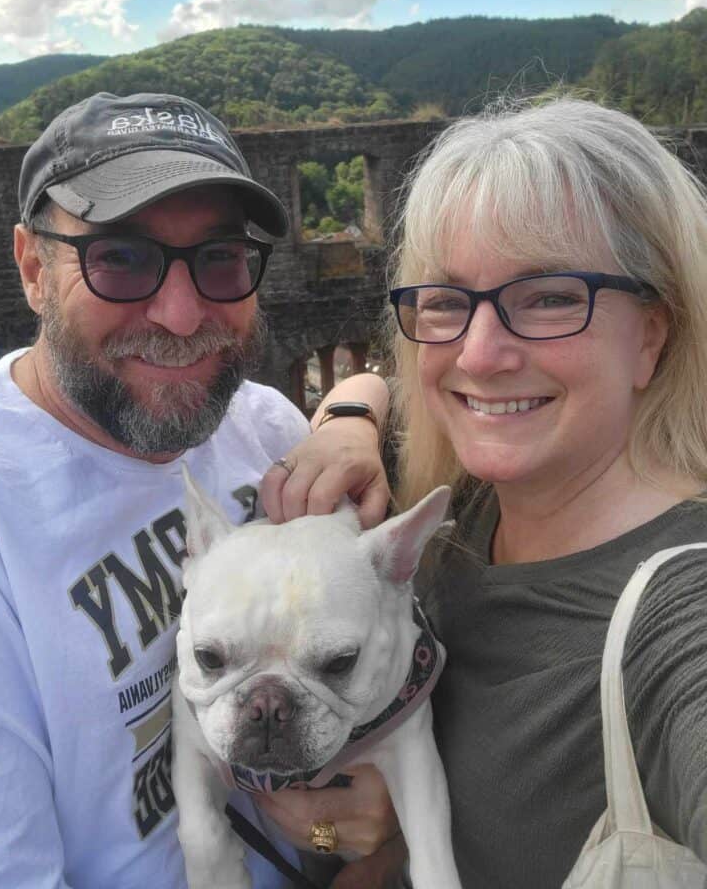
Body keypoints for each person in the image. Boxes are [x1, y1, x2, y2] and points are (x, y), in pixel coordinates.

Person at [0, 92, 396, 889]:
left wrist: (358, 407)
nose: (183, 316)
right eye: (119, 257)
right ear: (31, 267)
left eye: (219, 257)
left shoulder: (267, 428)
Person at [260, 97, 707, 887]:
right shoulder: (465, 505)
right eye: (445, 301)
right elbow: (384, 385)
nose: (481, 353)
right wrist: (352, 417)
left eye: (550, 297)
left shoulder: (679, 616)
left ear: (652, 334)